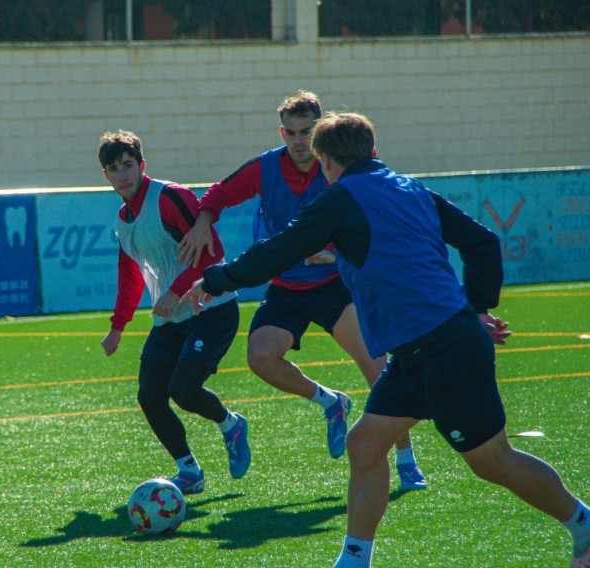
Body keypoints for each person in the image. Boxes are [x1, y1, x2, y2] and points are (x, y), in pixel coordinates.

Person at [181, 112, 590, 567]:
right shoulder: (410, 187)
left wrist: (215, 280)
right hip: (419, 350)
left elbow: (279, 249)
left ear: (328, 160)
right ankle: (354, 560)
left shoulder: (341, 198)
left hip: (443, 347)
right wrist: (477, 307)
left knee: (492, 460)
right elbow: (483, 242)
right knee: (365, 445)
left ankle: (584, 525)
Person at [177, 90, 426, 492]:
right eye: (291, 133)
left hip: (335, 287)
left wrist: (338, 253)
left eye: (306, 131)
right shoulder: (265, 167)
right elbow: (219, 194)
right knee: (260, 356)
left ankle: (405, 459)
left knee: (378, 371)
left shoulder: (344, 166)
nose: (298, 141)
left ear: (321, 128)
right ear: (282, 133)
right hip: (286, 287)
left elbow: (377, 214)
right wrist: (204, 219)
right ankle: (331, 402)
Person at [97, 129, 251, 495]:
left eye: (128, 165)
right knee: (150, 396)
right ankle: (189, 471)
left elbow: (212, 255)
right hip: (169, 320)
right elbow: (130, 275)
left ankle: (231, 425)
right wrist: (118, 327)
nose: (123, 175)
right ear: (105, 176)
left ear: (142, 165)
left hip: (211, 309)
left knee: (183, 389)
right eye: (115, 169)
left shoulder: (170, 197)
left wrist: (175, 291)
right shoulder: (123, 220)